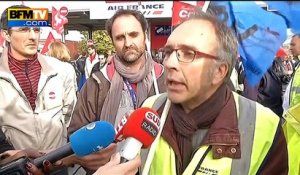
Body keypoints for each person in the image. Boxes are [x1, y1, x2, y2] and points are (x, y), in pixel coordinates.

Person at [140, 9, 288, 175]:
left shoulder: (265, 127)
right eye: (167, 53)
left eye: (188, 54)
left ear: (219, 71)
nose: (169, 63)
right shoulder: (150, 108)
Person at [67, 9, 166, 173]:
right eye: (120, 37)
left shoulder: (167, 79)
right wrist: (91, 158)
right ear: (113, 41)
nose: (128, 43)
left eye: (134, 35)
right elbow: (76, 137)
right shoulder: (96, 83)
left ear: (145, 35)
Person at [0, 2, 77, 162]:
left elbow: (69, 113)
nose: (33, 36)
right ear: (6, 35)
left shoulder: (62, 70)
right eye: (24, 29)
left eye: (36, 29)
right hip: (15, 166)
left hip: (57, 162)